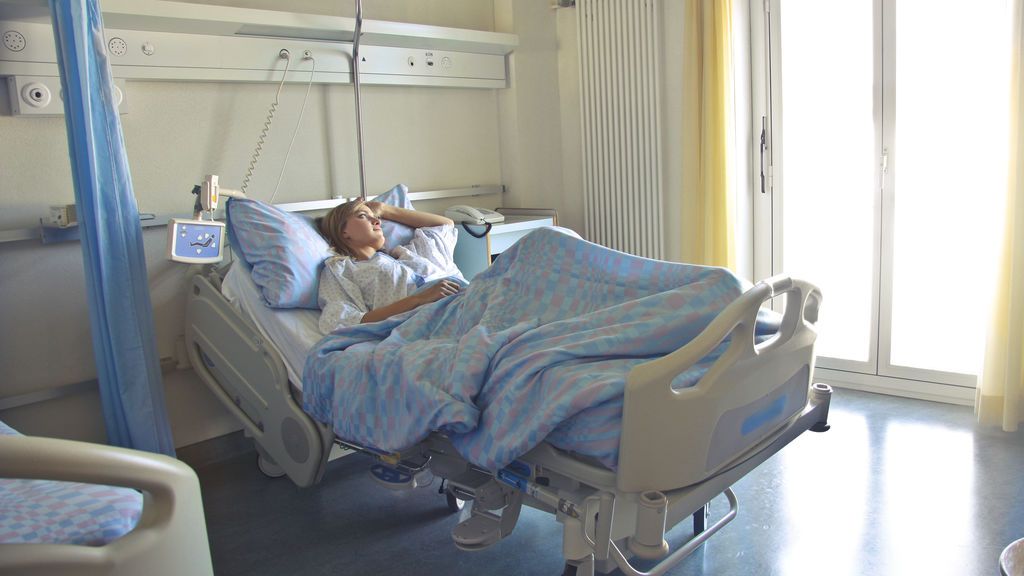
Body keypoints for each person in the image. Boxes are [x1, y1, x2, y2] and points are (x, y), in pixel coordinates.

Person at [315, 200, 465, 332]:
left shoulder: (406, 254)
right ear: (343, 231)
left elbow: (444, 225)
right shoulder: (341, 269)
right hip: (432, 321)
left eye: (376, 217)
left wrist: (384, 209)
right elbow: (341, 320)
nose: (377, 221)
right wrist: (419, 299)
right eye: (362, 216)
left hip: (462, 300)